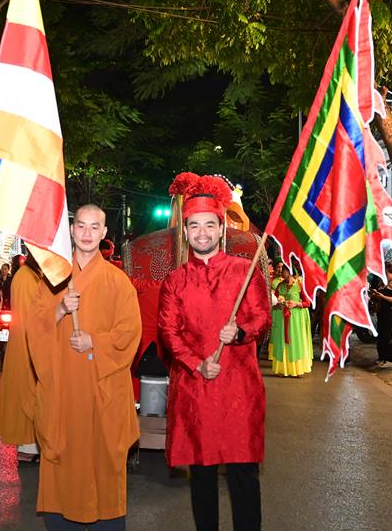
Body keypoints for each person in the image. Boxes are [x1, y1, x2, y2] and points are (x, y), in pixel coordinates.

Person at [158, 173, 269, 531]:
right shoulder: (175, 280)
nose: (202, 232)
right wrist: (195, 363)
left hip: (239, 386)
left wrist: (239, 332)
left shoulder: (244, 271)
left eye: (209, 224)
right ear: (185, 231)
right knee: (202, 475)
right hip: (196, 389)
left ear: (222, 229)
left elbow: (262, 318)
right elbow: (168, 331)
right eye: (194, 225)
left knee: (243, 474)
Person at [24, 204, 142, 530]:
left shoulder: (118, 282)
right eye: (81, 226)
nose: (87, 233)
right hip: (64, 390)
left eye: (95, 227)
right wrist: (60, 309)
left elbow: (131, 333)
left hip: (101, 391)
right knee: (65, 464)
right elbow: (33, 330)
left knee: (103, 464)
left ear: (105, 233)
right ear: (72, 230)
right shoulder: (53, 280)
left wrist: (96, 342)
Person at [0, 254, 48, 463]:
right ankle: (28, 447)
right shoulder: (26, 277)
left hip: (28, 341)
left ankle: (31, 446)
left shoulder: (32, 275)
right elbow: (33, 314)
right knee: (27, 395)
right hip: (27, 343)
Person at [269, 264, 312, 377]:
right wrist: (278, 303)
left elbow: (308, 303)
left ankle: (296, 370)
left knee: (295, 342)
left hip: (295, 320)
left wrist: (296, 304)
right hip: (282, 319)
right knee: (282, 342)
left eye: (283, 271)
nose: (281, 273)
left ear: (289, 271)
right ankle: (283, 369)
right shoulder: (280, 285)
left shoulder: (299, 285)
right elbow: (274, 302)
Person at [370, 263, 392, 367]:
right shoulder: (387, 283)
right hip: (382, 313)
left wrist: (382, 296)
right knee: (381, 337)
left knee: (388, 336)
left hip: (390, 314)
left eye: (387, 273)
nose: (385, 275)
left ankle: (390, 360)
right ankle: (382, 358)